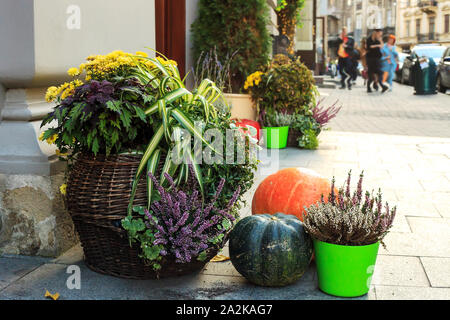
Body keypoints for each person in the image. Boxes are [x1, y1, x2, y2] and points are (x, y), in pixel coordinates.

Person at [366, 29, 388, 93]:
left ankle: (381, 86)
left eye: (381, 34)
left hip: (377, 59)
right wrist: (378, 45)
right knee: (371, 74)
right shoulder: (369, 39)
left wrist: (380, 40)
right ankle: (369, 87)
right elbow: (369, 47)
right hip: (370, 59)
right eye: (379, 34)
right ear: (375, 33)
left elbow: (382, 46)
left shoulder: (377, 40)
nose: (380, 35)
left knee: (379, 73)